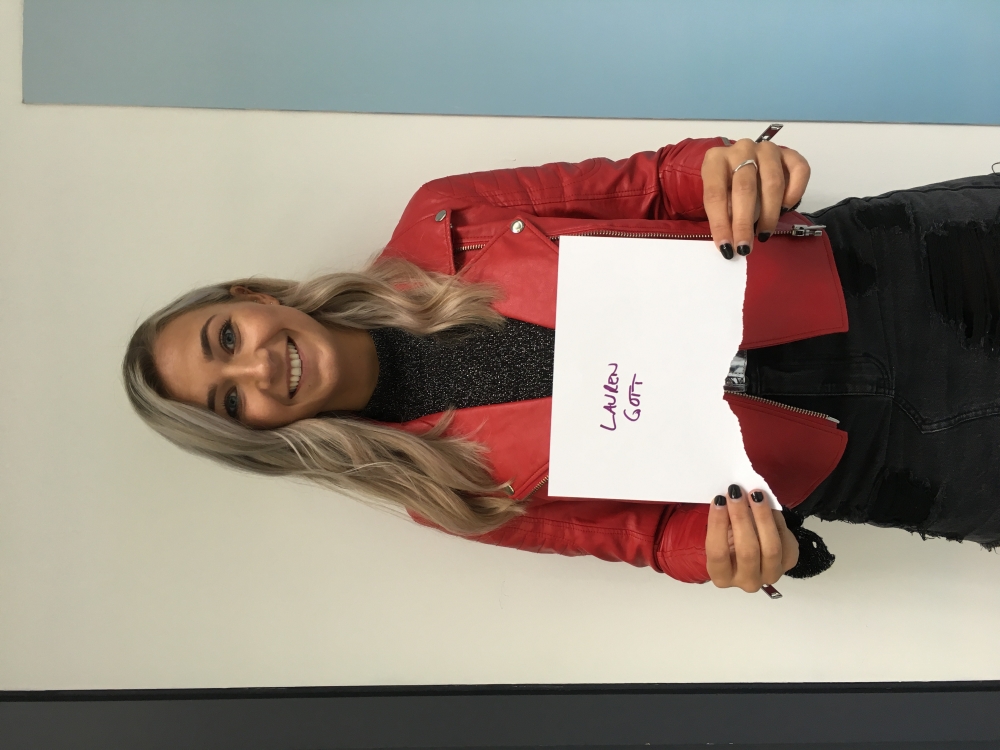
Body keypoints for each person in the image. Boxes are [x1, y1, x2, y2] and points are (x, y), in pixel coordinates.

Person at [123, 135, 1000, 593]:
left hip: (891, 271)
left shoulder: (444, 218)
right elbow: (646, 538)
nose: (255, 372)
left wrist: (729, 169)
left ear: (250, 295)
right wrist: (721, 556)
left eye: (225, 340)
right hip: (892, 460)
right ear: (255, 435)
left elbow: (652, 183)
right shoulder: (442, 492)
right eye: (229, 404)